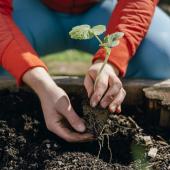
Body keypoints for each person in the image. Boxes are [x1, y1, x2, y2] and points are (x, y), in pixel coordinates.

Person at [0, 0, 170, 142]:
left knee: (163, 58)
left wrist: (111, 62)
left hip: (103, 9)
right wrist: (41, 83)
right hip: (29, 10)